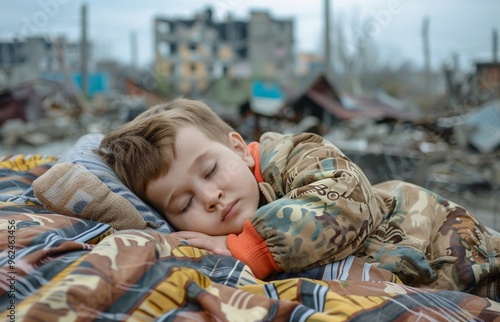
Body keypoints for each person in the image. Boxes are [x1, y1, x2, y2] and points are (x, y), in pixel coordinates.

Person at [98, 97, 500, 301]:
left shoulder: (293, 155)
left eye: (209, 171)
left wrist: (250, 247)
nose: (210, 197)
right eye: (184, 205)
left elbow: (345, 201)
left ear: (239, 149)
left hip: (464, 250)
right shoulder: (213, 240)